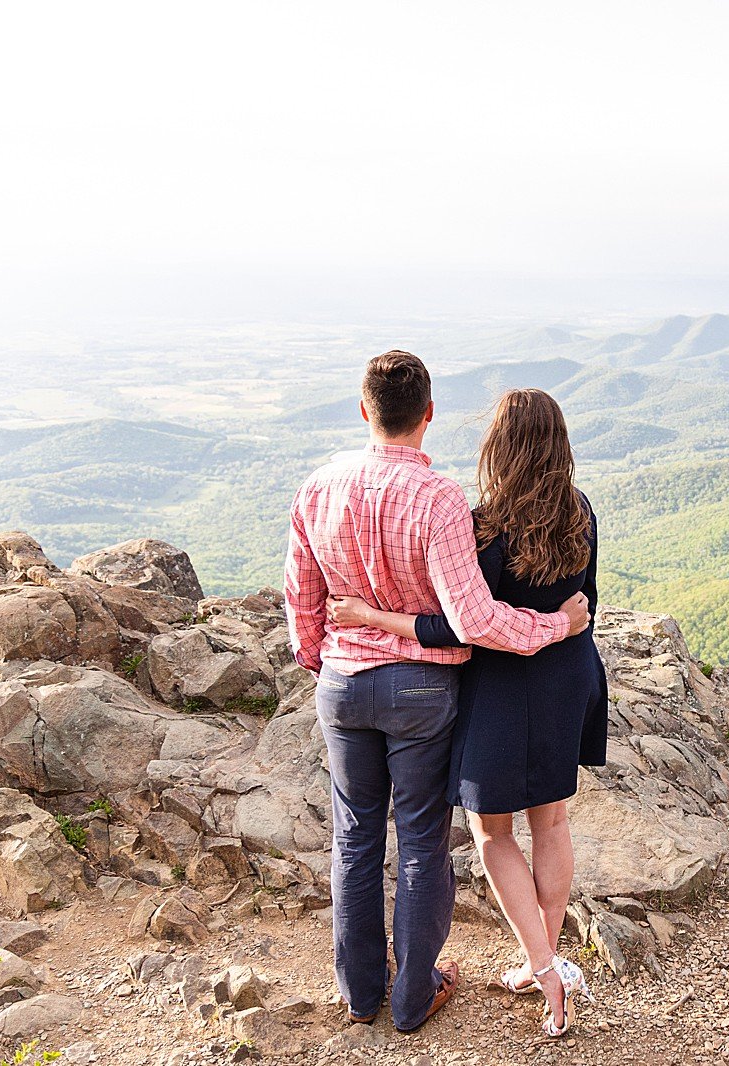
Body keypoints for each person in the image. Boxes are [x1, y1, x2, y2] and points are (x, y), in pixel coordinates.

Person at [284, 353, 590, 1035]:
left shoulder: (318, 486)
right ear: (427, 414)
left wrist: (320, 659)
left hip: (341, 681)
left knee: (355, 839)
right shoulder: (440, 499)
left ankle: (362, 994)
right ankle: (413, 997)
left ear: (364, 411)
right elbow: (474, 620)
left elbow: (300, 593)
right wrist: (556, 624)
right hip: (422, 686)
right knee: (421, 843)